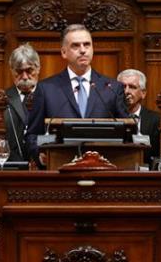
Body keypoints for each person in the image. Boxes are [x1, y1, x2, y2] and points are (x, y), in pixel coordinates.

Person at [25, 24, 128, 161]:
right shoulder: (46, 88)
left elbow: (128, 131)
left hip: (104, 168)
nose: (83, 50)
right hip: (60, 167)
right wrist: (40, 154)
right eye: (75, 46)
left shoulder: (112, 88)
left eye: (87, 45)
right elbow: (32, 135)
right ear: (63, 52)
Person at [117, 69, 160, 167]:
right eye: (123, 87)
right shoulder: (109, 117)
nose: (126, 91)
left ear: (143, 93)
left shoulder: (156, 120)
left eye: (132, 87)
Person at [4, 44, 40, 163]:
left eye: (29, 70)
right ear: (12, 71)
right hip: (11, 168)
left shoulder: (50, 96)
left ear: (38, 68)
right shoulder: (1, 100)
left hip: (44, 166)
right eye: (19, 71)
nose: (24, 77)